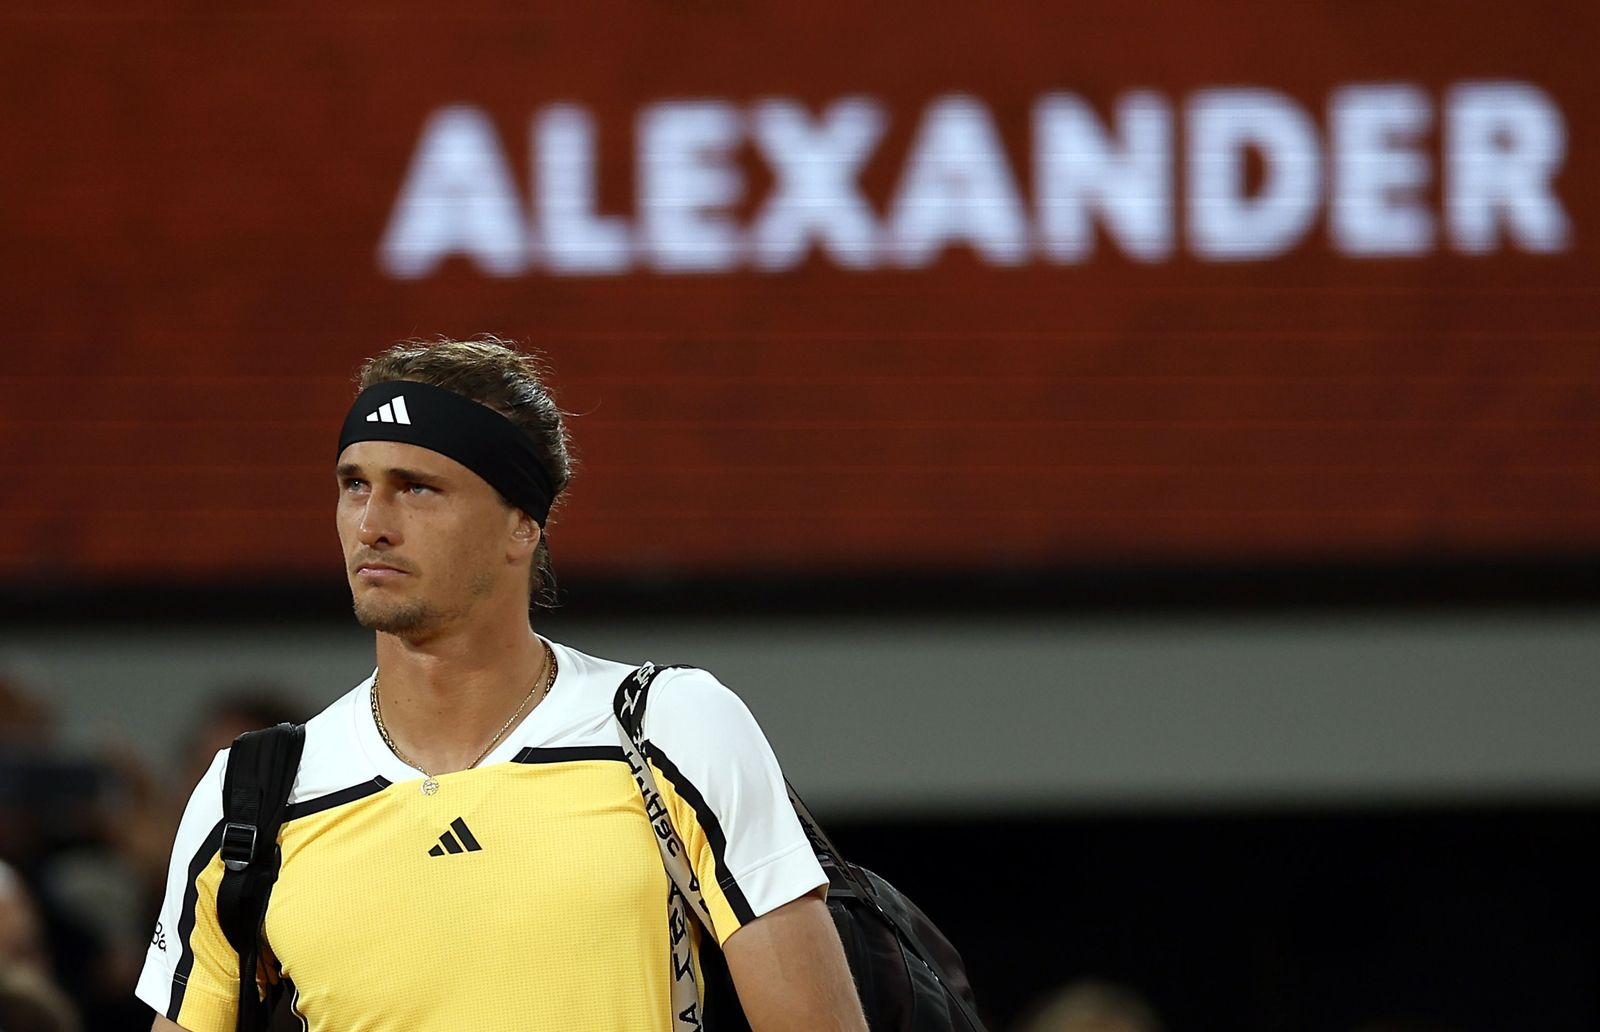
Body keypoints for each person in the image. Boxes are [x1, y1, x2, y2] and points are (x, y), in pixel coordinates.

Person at [134, 337, 867, 1032]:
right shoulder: (249, 793)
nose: (371, 524)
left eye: (416, 488)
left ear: (522, 525)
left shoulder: (670, 727)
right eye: (355, 484)